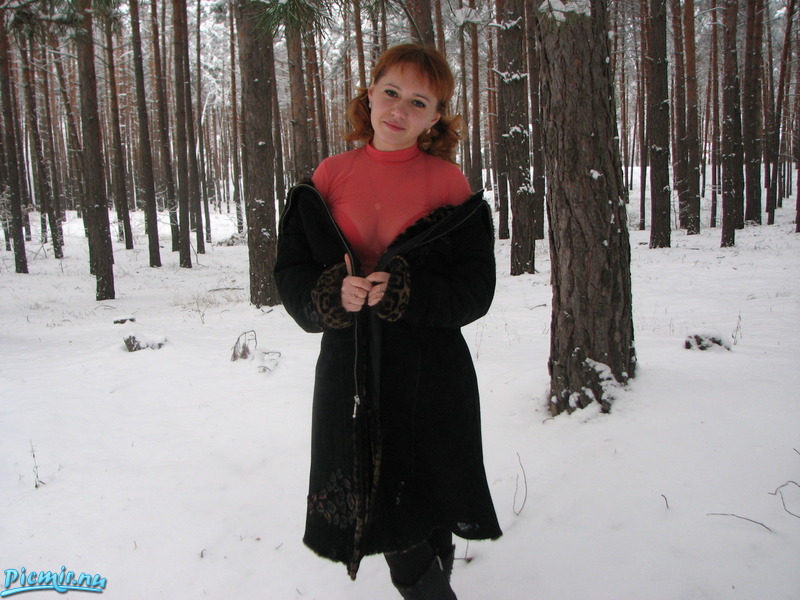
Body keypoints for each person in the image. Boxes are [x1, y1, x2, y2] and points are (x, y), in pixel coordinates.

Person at [275, 43, 501, 599]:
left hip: (431, 370)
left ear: (436, 116)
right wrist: (331, 294)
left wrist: (406, 293)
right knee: (385, 503)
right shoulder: (329, 176)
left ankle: (435, 578)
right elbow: (292, 272)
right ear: (370, 93)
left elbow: (475, 289)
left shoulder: (449, 183)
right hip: (350, 371)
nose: (399, 110)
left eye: (419, 102)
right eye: (391, 92)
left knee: (431, 489)